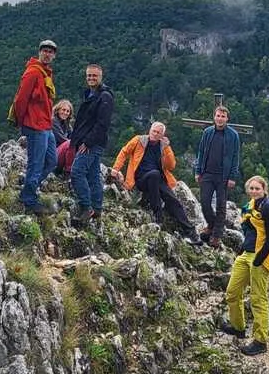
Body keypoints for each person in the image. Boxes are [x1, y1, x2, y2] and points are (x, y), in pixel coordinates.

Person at [220, 176, 269, 357]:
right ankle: (238, 327)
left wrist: (259, 259)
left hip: (259, 256)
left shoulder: (268, 208)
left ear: (264, 189)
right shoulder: (251, 206)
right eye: (251, 188)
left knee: (258, 298)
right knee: (232, 292)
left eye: (257, 188)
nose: (254, 191)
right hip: (246, 253)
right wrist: (241, 251)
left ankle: (260, 341)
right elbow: (248, 232)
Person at [112, 122, 202, 244]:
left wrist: (166, 148)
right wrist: (116, 169)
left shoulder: (163, 147)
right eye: (153, 131)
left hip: (158, 179)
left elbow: (171, 166)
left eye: (158, 132)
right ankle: (157, 214)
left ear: (162, 135)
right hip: (140, 179)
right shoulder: (139, 140)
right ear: (149, 130)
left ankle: (190, 232)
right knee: (154, 174)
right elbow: (124, 152)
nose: (155, 134)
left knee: (172, 200)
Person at [11, 40, 59, 215]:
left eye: (50, 52)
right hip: (35, 125)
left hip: (46, 125)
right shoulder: (33, 72)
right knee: (36, 163)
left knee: (52, 161)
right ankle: (29, 199)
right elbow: (21, 99)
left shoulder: (46, 73)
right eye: (45, 51)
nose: (47, 54)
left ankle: (28, 189)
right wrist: (21, 122)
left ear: (54, 55)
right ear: (39, 52)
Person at [69, 64, 114, 226]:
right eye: (89, 76)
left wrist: (87, 142)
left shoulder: (105, 97)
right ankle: (97, 207)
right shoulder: (90, 94)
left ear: (101, 77)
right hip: (89, 141)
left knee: (77, 172)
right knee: (93, 175)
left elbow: (102, 124)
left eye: (94, 76)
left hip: (92, 142)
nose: (91, 78)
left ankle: (86, 207)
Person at [193, 105, 241, 248]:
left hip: (223, 176)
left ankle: (216, 235)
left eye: (223, 116)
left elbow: (235, 157)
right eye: (218, 116)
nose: (220, 119)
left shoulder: (233, 135)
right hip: (207, 173)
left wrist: (232, 176)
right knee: (205, 202)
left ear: (227, 118)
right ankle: (212, 225)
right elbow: (201, 152)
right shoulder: (207, 132)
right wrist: (198, 171)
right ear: (214, 117)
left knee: (221, 205)